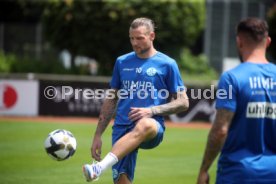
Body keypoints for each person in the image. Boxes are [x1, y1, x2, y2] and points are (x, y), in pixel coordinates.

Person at [82, 17, 189, 183]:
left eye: (139, 38)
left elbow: (183, 102)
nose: (134, 42)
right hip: (122, 127)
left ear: (151, 36)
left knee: (145, 123)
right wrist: (97, 135)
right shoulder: (122, 62)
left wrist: (152, 111)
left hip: (152, 127)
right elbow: (111, 99)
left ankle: (99, 167)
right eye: (131, 38)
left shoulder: (168, 64)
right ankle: (103, 167)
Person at [197, 17, 276, 184]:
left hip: (238, 172)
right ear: (268, 42)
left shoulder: (231, 78)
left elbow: (220, 130)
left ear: (239, 41)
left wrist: (204, 169)